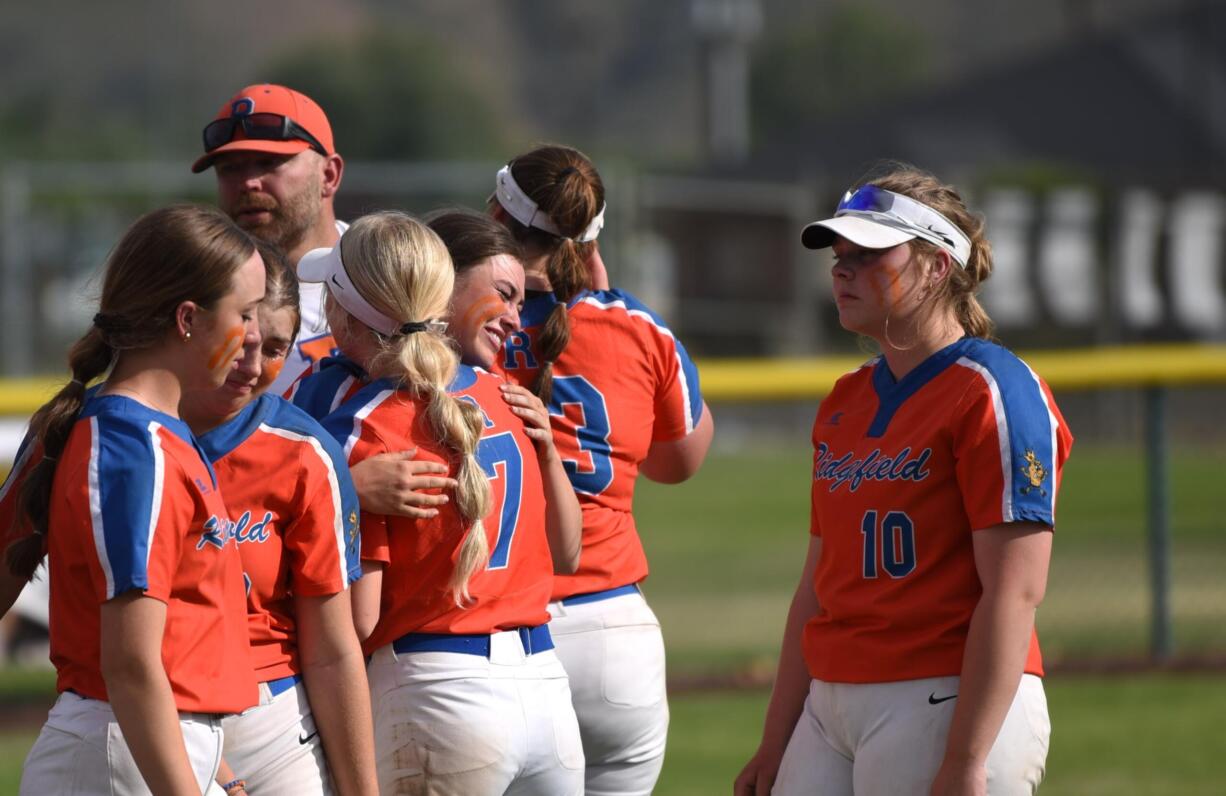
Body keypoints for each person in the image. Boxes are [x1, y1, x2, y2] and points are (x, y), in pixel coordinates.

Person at [734, 165, 1074, 796]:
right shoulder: (844, 399)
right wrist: (775, 741)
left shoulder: (994, 391)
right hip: (831, 702)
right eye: (840, 255)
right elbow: (816, 586)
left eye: (868, 254)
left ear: (937, 266)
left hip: (944, 694)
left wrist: (968, 760)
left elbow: (1016, 593)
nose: (842, 270)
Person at [293, 211, 585, 794]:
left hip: (435, 691)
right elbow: (568, 555)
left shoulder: (364, 424)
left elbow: (359, 619)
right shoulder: (503, 395)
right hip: (547, 688)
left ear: (345, 312)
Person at [6, 205, 263, 794]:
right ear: (188, 319)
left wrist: (216, 770)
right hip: (117, 752)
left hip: (138, 745)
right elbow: (129, 663)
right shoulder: (134, 447)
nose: (254, 333)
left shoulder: (160, 434)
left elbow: (177, 647)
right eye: (244, 313)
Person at [488, 144, 715, 796]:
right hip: (614, 633)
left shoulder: (460, 325)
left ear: (495, 217)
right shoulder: (636, 324)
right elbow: (680, 460)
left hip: (502, 629)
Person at [177, 242, 377, 796]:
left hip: (274, 720)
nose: (251, 365)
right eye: (240, 340)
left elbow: (333, 648)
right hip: (149, 712)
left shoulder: (303, 450)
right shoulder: (124, 434)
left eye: (274, 349)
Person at [193, 83, 346, 395]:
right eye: (229, 168)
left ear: (328, 175)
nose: (248, 182)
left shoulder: (391, 273)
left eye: (268, 163)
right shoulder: (199, 292)